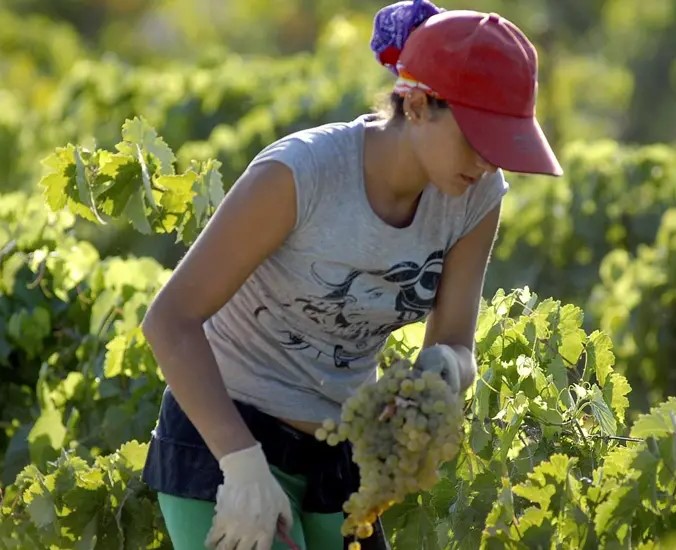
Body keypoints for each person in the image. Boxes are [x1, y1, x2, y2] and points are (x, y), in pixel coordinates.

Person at [140, 1, 563, 549]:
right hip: (224, 437)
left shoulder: (476, 197)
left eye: (501, 145)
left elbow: (457, 343)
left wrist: (443, 367)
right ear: (415, 104)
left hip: (339, 454)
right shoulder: (301, 175)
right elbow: (169, 321)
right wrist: (242, 467)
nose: (486, 161)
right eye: (476, 138)